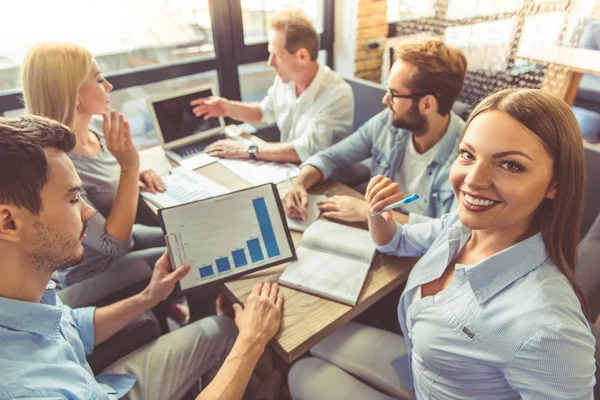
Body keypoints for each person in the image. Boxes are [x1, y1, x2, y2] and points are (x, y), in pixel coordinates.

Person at [288, 89, 596, 399]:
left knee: (303, 374)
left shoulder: (548, 326)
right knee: (313, 342)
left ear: (556, 184)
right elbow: (397, 240)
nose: (473, 180)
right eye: (468, 154)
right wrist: (378, 212)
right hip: (420, 367)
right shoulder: (460, 226)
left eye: (511, 165)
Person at [0, 115, 284, 400]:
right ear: (8, 223)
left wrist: (150, 296)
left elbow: (73, 326)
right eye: (73, 199)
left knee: (221, 329)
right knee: (244, 342)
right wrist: (252, 342)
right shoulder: (26, 388)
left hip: (100, 386)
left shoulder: (25, 288)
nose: (87, 212)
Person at [19, 42, 195, 319]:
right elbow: (113, 244)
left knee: (191, 238)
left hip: (122, 246)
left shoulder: (99, 127)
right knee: (193, 258)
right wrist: (129, 167)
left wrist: (134, 175)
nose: (109, 86)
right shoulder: (58, 164)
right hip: (93, 268)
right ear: (73, 93)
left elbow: (110, 181)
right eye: (100, 79)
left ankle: (167, 309)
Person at [283, 40, 467, 224]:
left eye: (394, 94)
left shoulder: (468, 160)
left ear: (427, 104)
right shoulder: (388, 123)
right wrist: (299, 183)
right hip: (381, 233)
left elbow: (450, 233)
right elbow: (331, 157)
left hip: (418, 249)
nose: (385, 100)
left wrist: (368, 212)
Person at [192, 8, 354, 163]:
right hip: (288, 168)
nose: (270, 63)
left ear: (302, 56)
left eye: (277, 55)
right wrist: (228, 108)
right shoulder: (285, 81)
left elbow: (307, 149)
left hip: (327, 181)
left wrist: (246, 150)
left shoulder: (338, 94)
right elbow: (265, 112)